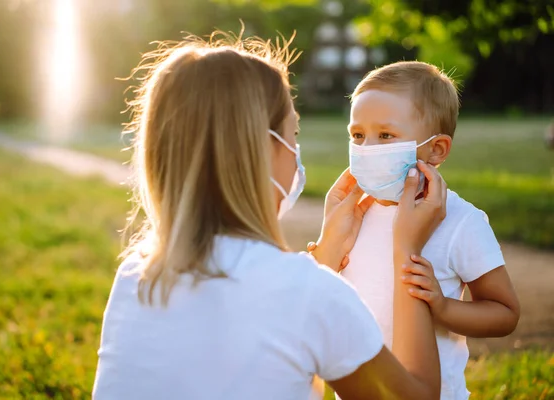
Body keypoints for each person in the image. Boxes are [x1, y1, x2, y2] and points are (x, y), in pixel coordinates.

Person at [93, 32, 448, 400]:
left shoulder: (135, 276)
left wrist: (326, 254)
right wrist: (407, 249)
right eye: (292, 132)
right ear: (261, 148)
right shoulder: (310, 293)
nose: (296, 150)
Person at [341, 61, 521, 400]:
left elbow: (505, 313)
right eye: (358, 135)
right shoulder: (352, 215)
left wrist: (443, 308)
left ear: (435, 149)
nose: (366, 150)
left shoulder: (460, 221)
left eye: (386, 135)